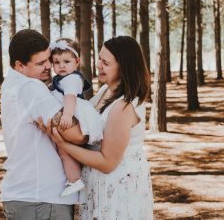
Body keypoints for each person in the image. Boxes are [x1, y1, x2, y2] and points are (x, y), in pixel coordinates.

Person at [46, 36, 154, 219]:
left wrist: (63, 145)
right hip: (98, 185)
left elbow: (107, 162)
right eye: (99, 59)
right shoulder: (106, 90)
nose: (98, 65)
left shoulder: (124, 106)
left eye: (106, 62)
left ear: (124, 67)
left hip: (117, 188)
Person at [0, 29, 86, 220]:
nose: (49, 66)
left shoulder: (12, 84)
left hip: (29, 196)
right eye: (40, 63)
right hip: (41, 200)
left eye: (48, 59)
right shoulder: (31, 88)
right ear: (19, 65)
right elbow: (78, 135)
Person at [49, 38, 103, 197]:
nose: (61, 66)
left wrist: (67, 115)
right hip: (71, 114)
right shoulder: (62, 78)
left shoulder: (72, 79)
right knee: (63, 151)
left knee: (64, 149)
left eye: (66, 61)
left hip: (75, 114)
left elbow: (70, 98)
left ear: (77, 61)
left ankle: (74, 178)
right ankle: (74, 179)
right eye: (56, 62)